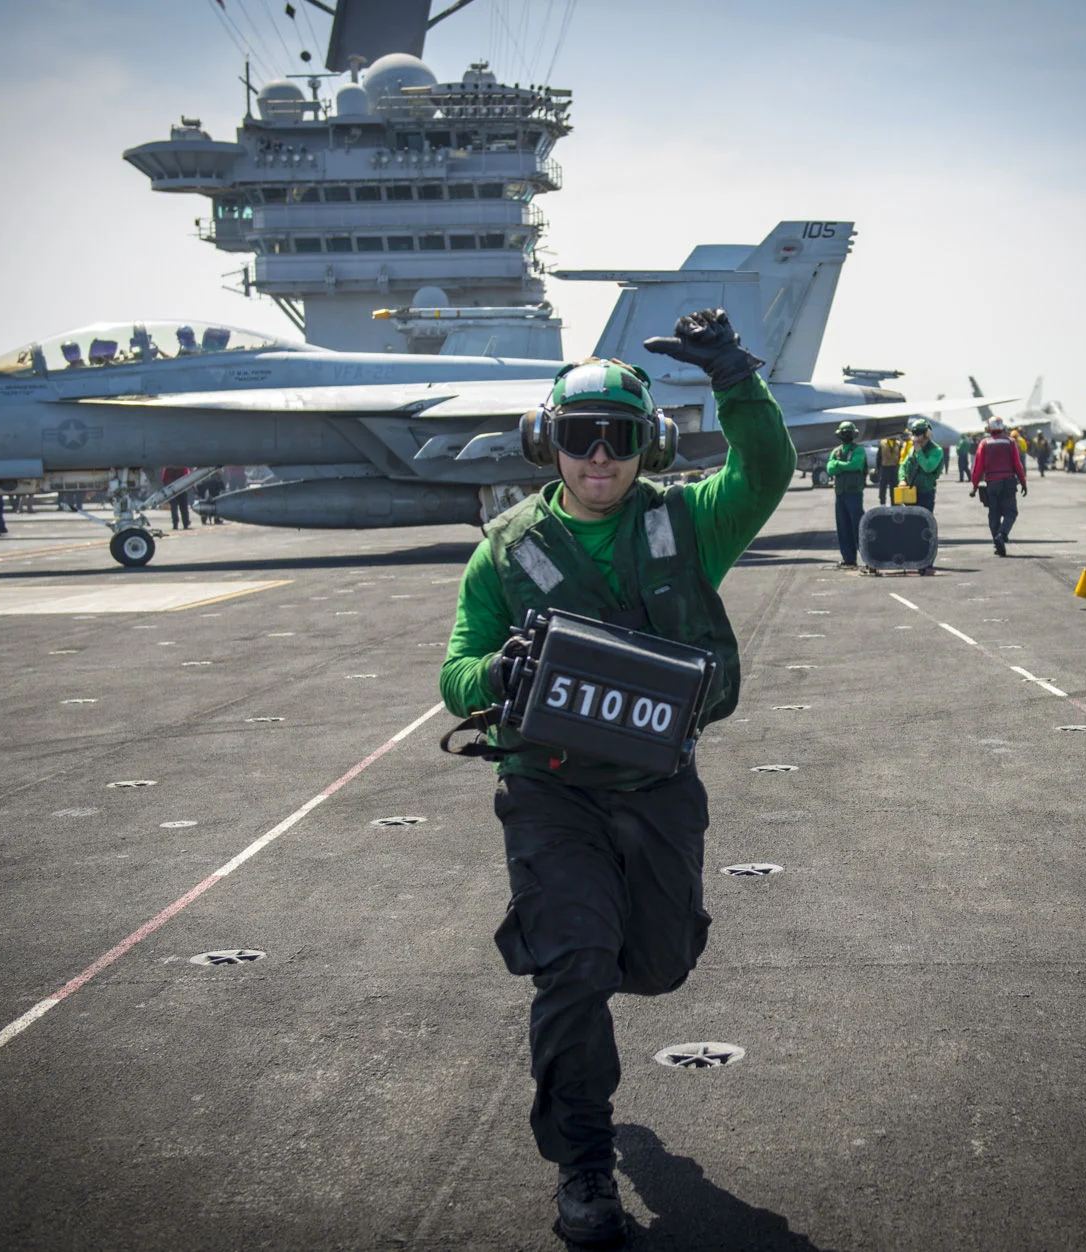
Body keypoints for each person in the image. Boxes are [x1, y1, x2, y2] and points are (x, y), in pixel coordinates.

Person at [438, 309, 794, 1246]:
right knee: (576, 967)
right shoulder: (506, 550)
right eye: (579, 437)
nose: (599, 457)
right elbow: (456, 674)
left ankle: (628, 951)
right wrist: (497, 677)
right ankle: (583, 1166)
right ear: (547, 443)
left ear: (649, 444)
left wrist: (736, 377)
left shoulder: (687, 522)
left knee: (659, 963)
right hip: (551, 793)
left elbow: (767, 473)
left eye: (619, 438)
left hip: (657, 789)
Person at [969, 415, 1027, 555]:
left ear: (989, 428)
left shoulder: (984, 443)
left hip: (992, 483)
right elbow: (1017, 465)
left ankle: (997, 540)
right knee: (1011, 512)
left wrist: (975, 486)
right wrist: (1023, 482)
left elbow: (978, 467)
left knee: (993, 514)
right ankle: (1002, 534)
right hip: (1008, 483)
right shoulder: (1010, 442)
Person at [825, 420, 867, 568]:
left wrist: (838, 465)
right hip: (840, 494)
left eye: (847, 433)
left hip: (854, 493)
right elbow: (830, 469)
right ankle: (849, 558)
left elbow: (855, 465)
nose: (845, 435)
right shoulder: (836, 451)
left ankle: (868, 558)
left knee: (858, 526)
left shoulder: (859, 450)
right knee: (843, 527)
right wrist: (843, 466)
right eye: (844, 433)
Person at [899, 417, 945, 514]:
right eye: (914, 433)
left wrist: (919, 450)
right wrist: (902, 479)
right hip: (910, 492)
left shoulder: (936, 451)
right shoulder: (913, 449)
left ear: (926, 434)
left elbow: (928, 467)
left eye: (918, 433)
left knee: (924, 523)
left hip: (925, 493)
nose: (915, 436)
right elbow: (903, 465)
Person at [875, 433, 901, 505]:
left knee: (894, 487)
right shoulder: (882, 443)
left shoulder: (898, 444)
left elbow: (900, 457)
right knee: (882, 487)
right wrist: (877, 469)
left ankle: (894, 503)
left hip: (894, 468)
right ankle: (882, 503)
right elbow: (878, 457)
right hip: (884, 468)